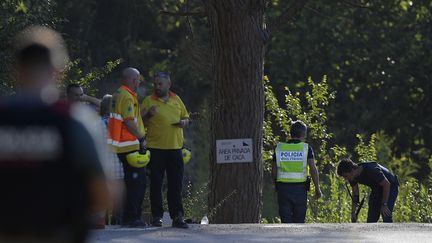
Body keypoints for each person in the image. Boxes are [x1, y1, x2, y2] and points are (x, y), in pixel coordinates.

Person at [0, 26, 107, 243]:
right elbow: (105, 193)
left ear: (16, 69)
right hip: (59, 233)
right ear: (58, 70)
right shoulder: (75, 120)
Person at [141, 71, 189, 229]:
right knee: (156, 184)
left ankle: (177, 216)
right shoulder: (148, 101)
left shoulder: (177, 99)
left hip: (175, 148)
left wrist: (184, 122)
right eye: (155, 84)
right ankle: (157, 217)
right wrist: (148, 115)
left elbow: (186, 117)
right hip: (156, 149)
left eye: (160, 84)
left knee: (176, 185)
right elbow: (140, 123)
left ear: (169, 84)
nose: (157, 87)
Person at [107, 67, 147, 227]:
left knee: (129, 183)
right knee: (137, 183)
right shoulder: (127, 97)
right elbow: (129, 121)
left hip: (120, 145)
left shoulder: (117, 95)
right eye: (137, 80)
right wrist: (141, 137)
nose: (138, 83)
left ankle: (125, 217)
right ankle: (132, 218)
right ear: (132, 80)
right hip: (129, 146)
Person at [272, 120, 322, 223]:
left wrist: (276, 186)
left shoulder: (279, 148)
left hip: (283, 189)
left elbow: (274, 170)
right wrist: (317, 188)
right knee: (299, 223)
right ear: (303, 134)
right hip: (300, 190)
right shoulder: (306, 148)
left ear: (291, 133)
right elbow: (313, 169)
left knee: (285, 222)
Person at [337, 158, 399, 223]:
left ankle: (389, 232)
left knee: (386, 214)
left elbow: (386, 184)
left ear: (352, 170)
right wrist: (353, 213)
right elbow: (355, 194)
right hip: (376, 189)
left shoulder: (371, 169)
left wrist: (384, 204)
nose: (345, 179)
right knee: (371, 219)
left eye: (346, 176)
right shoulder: (352, 176)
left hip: (390, 186)